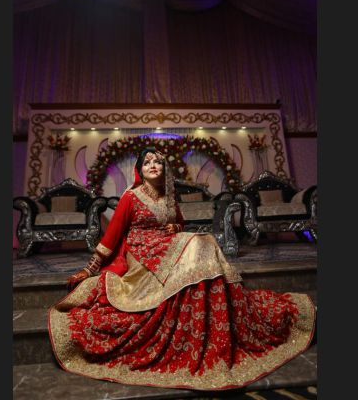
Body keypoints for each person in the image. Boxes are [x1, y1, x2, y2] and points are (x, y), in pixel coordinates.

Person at [48, 147, 315, 390]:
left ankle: (206, 311)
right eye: (147, 162)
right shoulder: (131, 197)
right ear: (140, 170)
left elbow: (180, 223)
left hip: (167, 244)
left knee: (204, 242)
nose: (153, 165)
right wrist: (90, 269)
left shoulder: (168, 197)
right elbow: (112, 235)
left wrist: (175, 227)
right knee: (199, 243)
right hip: (141, 251)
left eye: (158, 162)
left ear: (164, 168)